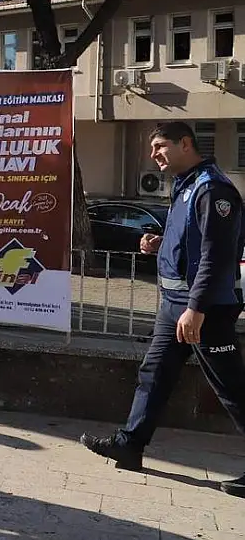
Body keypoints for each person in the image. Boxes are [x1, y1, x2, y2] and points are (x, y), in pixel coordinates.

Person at [81, 121, 245, 498]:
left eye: (160, 146)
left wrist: (197, 309)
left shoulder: (212, 189)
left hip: (205, 311)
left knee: (232, 389)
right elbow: (191, 242)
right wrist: (160, 244)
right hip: (175, 307)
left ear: (185, 143)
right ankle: (130, 444)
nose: (153, 155)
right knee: (153, 375)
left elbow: (217, 256)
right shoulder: (185, 185)